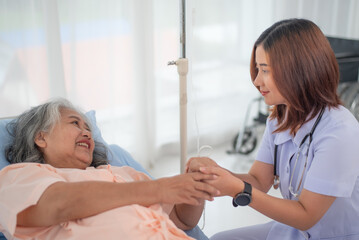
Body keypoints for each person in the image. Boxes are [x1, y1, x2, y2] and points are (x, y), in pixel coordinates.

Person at [187, 18, 359, 240]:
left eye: (265, 70)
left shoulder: (340, 132)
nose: (257, 81)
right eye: (257, 69)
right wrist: (215, 175)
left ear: (299, 70)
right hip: (295, 230)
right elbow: (259, 181)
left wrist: (239, 190)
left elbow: (307, 215)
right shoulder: (280, 118)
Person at [0, 98, 219, 240]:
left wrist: (197, 183)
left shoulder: (120, 173)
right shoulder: (19, 177)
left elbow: (182, 219)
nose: (87, 133)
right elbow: (59, 205)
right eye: (75, 123)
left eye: (88, 128)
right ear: (41, 137)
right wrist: (158, 189)